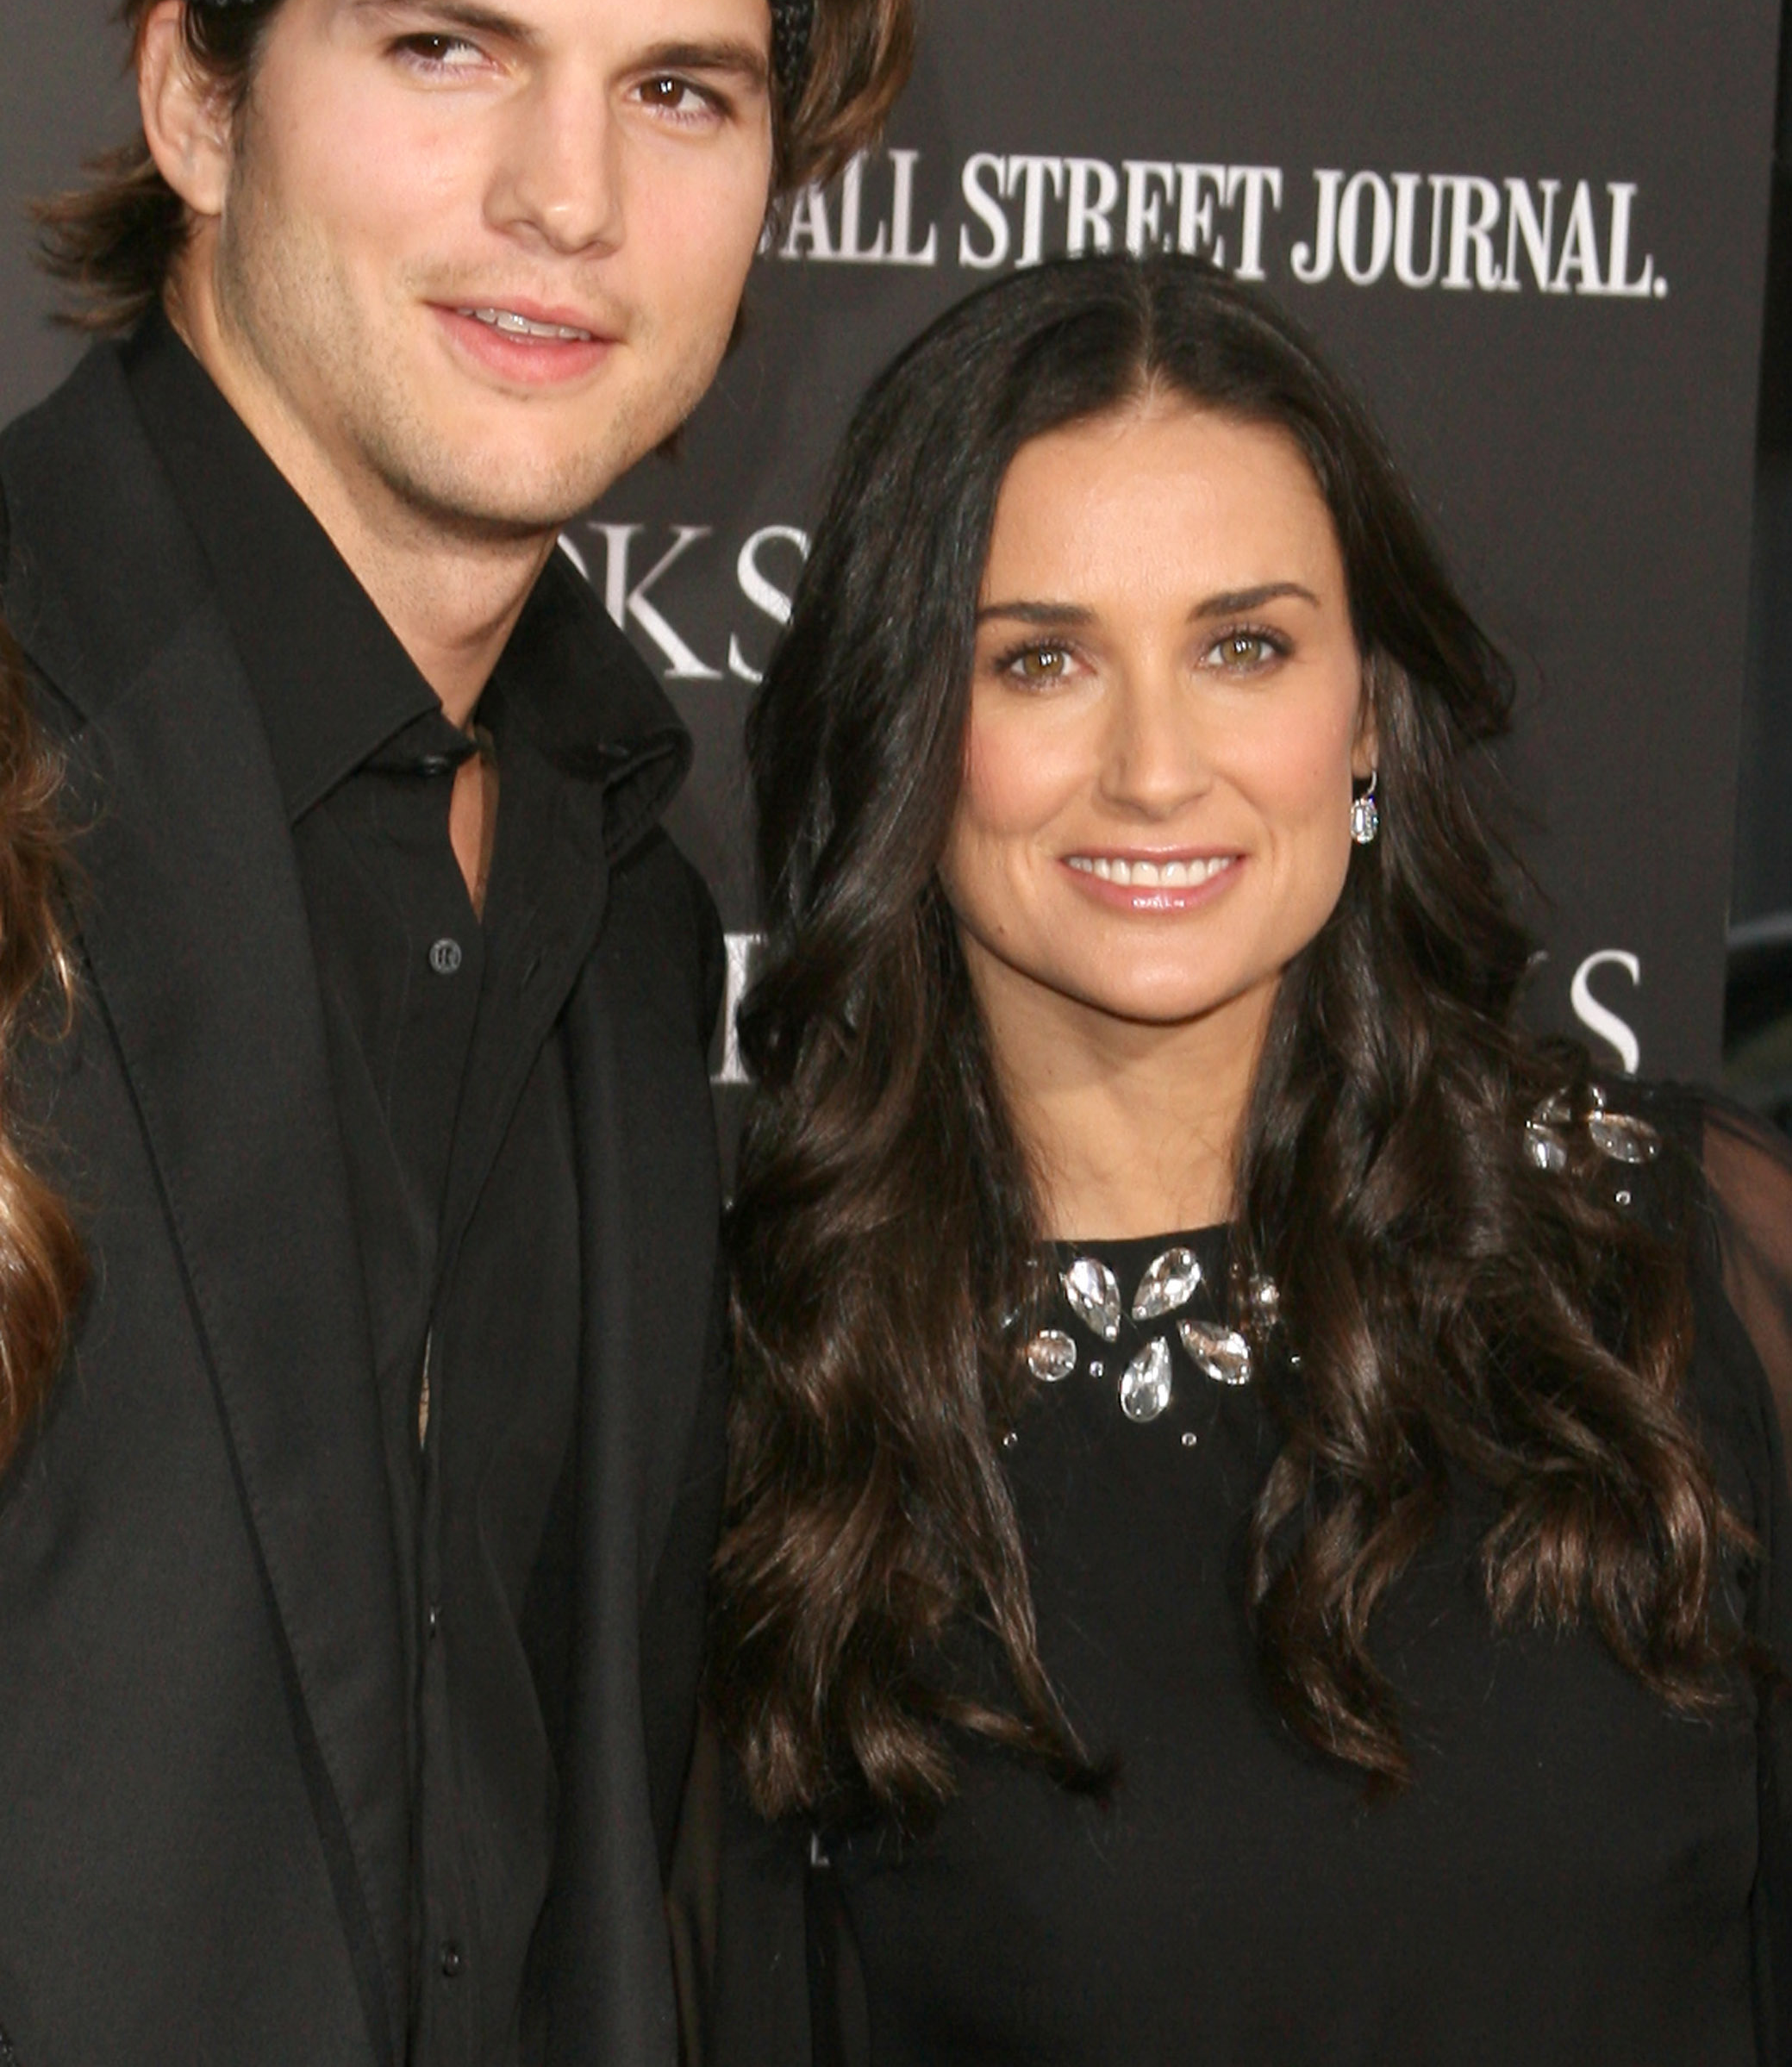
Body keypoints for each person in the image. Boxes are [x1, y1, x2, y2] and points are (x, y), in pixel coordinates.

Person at [0, 0, 914, 2067]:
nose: (568, 201)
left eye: (682, 92)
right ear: (197, 99)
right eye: (443, 46)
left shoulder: (624, 896)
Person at [707, 253, 1792, 2066]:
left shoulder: (1680, 1268)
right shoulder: (766, 1382)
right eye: (1039, 659)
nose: (1153, 768)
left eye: (1242, 647)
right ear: (907, 730)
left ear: (1361, 724)